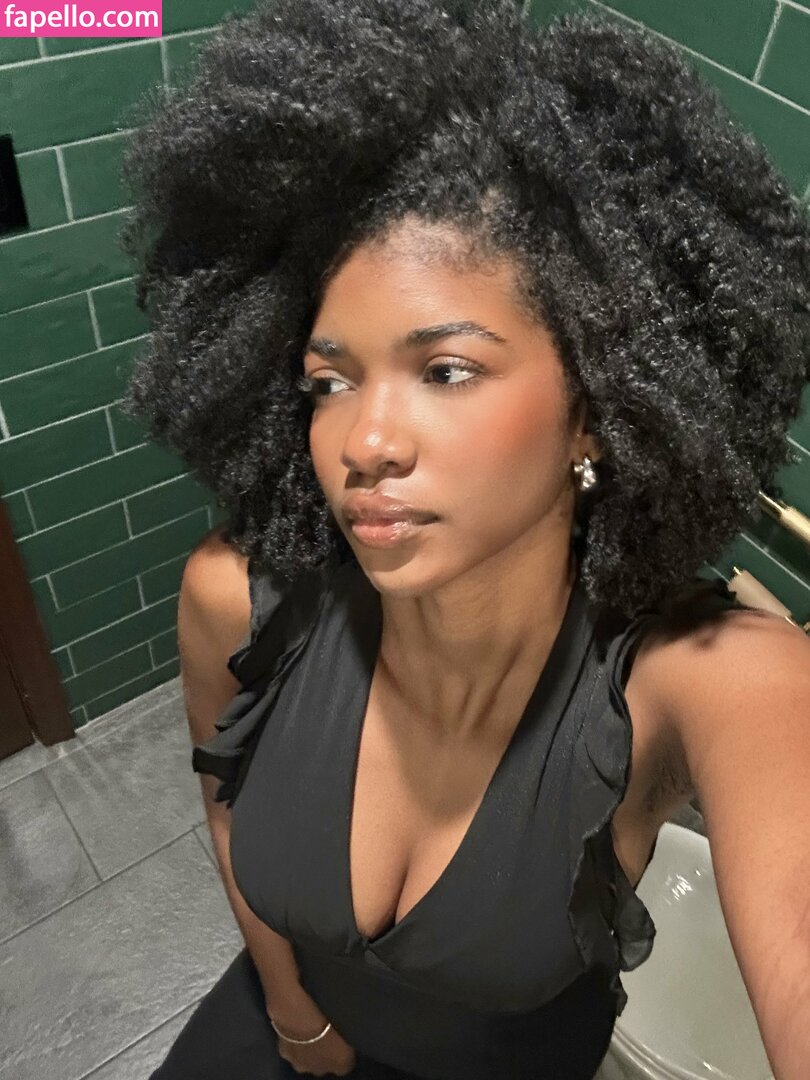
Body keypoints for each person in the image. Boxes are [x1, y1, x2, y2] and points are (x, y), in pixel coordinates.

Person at [118, 2, 810, 1077]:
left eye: (446, 370)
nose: (364, 441)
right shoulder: (235, 600)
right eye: (329, 382)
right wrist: (294, 1015)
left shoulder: (715, 678)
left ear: (595, 410)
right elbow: (223, 813)